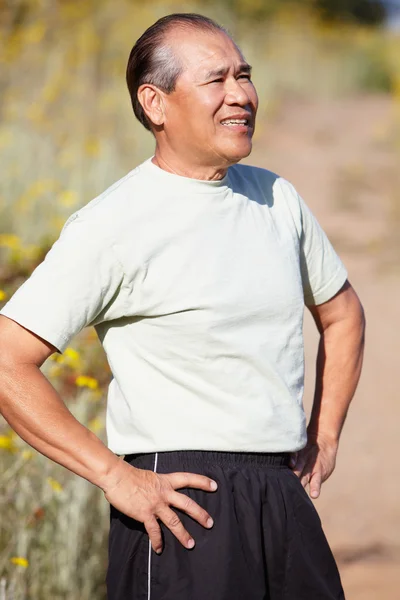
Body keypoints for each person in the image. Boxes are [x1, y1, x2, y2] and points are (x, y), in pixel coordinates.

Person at [0, 13, 365, 600]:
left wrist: (324, 435)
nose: (241, 95)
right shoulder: (112, 224)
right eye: (215, 80)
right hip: (179, 507)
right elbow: (7, 359)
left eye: (244, 76)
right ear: (156, 103)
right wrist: (115, 477)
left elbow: (343, 314)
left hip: (282, 495)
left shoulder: (277, 198)